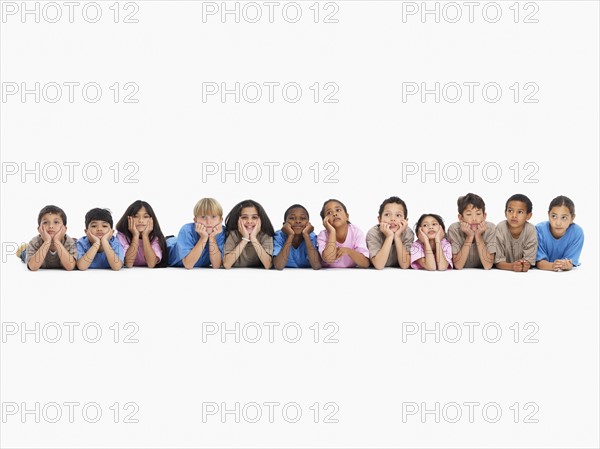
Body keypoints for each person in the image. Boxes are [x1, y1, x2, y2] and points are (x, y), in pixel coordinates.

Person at [168, 198, 225, 269]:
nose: (208, 222)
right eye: (203, 217)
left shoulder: (221, 231)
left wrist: (212, 238)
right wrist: (203, 238)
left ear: (221, 220)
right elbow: (188, 265)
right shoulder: (187, 230)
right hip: (166, 248)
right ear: (195, 220)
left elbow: (216, 265)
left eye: (213, 217)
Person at [447, 193, 496, 269]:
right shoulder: (454, 229)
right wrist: (469, 237)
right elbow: (458, 265)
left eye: (478, 214)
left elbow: (488, 265)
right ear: (460, 217)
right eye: (469, 214)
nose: (474, 219)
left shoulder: (491, 229)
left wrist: (478, 236)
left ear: (484, 216)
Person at [21, 205, 77, 271]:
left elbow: (70, 267)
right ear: (39, 229)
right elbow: (33, 267)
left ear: (65, 228)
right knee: (24, 254)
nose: (51, 226)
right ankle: (23, 250)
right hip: (33, 253)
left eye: (56, 222)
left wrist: (57, 241)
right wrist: (47, 241)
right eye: (45, 222)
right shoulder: (34, 242)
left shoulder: (70, 242)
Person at [535, 195, 584, 271]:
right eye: (554, 216)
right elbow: (539, 262)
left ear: (572, 218)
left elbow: (571, 262)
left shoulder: (577, 233)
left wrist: (567, 265)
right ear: (548, 215)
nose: (558, 223)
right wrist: (552, 266)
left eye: (564, 217)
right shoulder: (539, 230)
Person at [317, 199, 370, 268]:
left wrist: (349, 251)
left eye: (338, 210)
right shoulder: (322, 236)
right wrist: (332, 232)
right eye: (329, 213)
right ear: (325, 221)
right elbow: (329, 259)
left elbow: (365, 263)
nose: (334, 214)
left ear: (347, 216)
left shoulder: (356, 232)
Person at [115, 200, 168, 268]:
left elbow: (151, 264)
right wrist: (135, 236)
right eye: (136, 216)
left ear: (152, 219)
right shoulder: (121, 236)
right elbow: (128, 263)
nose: (141, 220)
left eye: (145, 217)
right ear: (128, 218)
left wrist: (145, 236)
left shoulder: (155, 237)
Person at [223, 200, 274, 269]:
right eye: (244, 217)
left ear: (260, 219)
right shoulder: (233, 234)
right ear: (237, 219)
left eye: (254, 217)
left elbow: (268, 265)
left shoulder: (265, 235)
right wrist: (245, 238)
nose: (249, 221)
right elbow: (227, 264)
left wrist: (253, 238)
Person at [366, 196, 413, 269]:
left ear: (405, 221)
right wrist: (389, 236)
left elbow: (405, 265)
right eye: (387, 214)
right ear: (379, 219)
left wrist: (397, 236)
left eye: (398, 215)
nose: (393, 219)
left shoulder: (408, 233)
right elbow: (379, 265)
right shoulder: (373, 233)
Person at [494, 194, 537, 272]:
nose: (514, 215)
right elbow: (498, 262)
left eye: (520, 212)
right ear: (505, 213)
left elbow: (529, 260)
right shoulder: (500, 228)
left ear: (528, 216)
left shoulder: (530, 229)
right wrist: (511, 266)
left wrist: (526, 264)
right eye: (510, 211)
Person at [272, 204, 321, 270]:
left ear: (308, 224)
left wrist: (306, 235)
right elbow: (278, 266)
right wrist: (290, 235)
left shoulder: (311, 236)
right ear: (284, 224)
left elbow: (316, 266)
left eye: (302, 218)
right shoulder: (279, 236)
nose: (298, 221)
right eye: (292, 218)